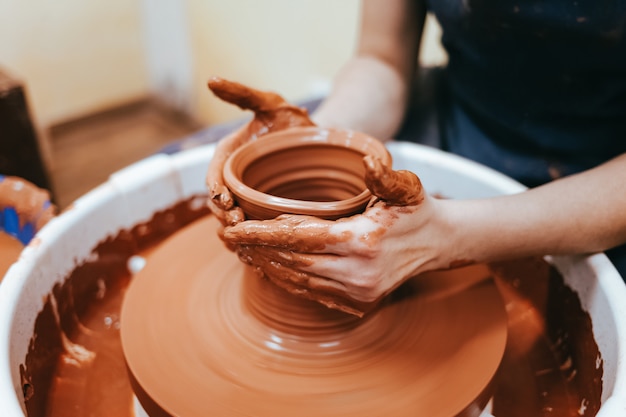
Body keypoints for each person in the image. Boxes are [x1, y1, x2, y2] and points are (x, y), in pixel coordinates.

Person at [207, 0, 626, 304]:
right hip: (461, 116)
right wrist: (317, 142)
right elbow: (381, 59)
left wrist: (447, 238)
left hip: (602, 184)